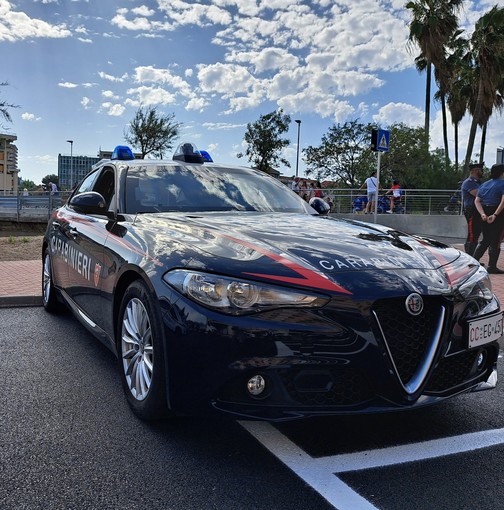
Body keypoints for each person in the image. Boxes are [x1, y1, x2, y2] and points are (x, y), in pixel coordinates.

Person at [472, 163, 504, 274]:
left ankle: (474, 262)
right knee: (496, 240)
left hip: (484, 211)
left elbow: (477, 200)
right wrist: (495, 215)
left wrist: (482, 214)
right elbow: (503, 201)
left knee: (485, 239)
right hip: (498, 213)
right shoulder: (503, 184)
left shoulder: (485, 184)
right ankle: (492, 266)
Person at [461, 162, 484, 257]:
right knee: (472, 235)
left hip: (477, 210)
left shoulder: (478, 183)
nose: (482, 172)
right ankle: (470, 258)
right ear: (475, 171)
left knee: (476, 234)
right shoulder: (469, 182)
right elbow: (478, 194)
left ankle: (474, 258)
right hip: (471, 210)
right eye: (480, 170)